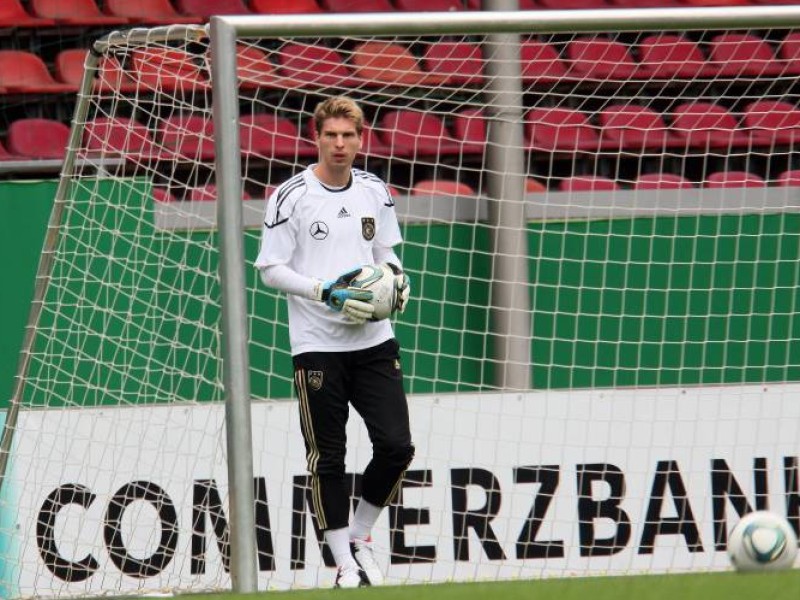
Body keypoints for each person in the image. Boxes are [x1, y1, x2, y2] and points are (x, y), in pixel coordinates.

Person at [254, 96, 415, 589]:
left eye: (349, 136)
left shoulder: (374, 191)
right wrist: (322, 290)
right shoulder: (290, 196)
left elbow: (386, 252)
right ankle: (343, 563)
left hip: (373, 341)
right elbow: (269, 269)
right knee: (329, 458)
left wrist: (396, 281)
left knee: (396, 445)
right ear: (316, 137)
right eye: (331, 136)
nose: (340, 144)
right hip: (317, 345)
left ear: (361, 138)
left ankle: (361, 536)